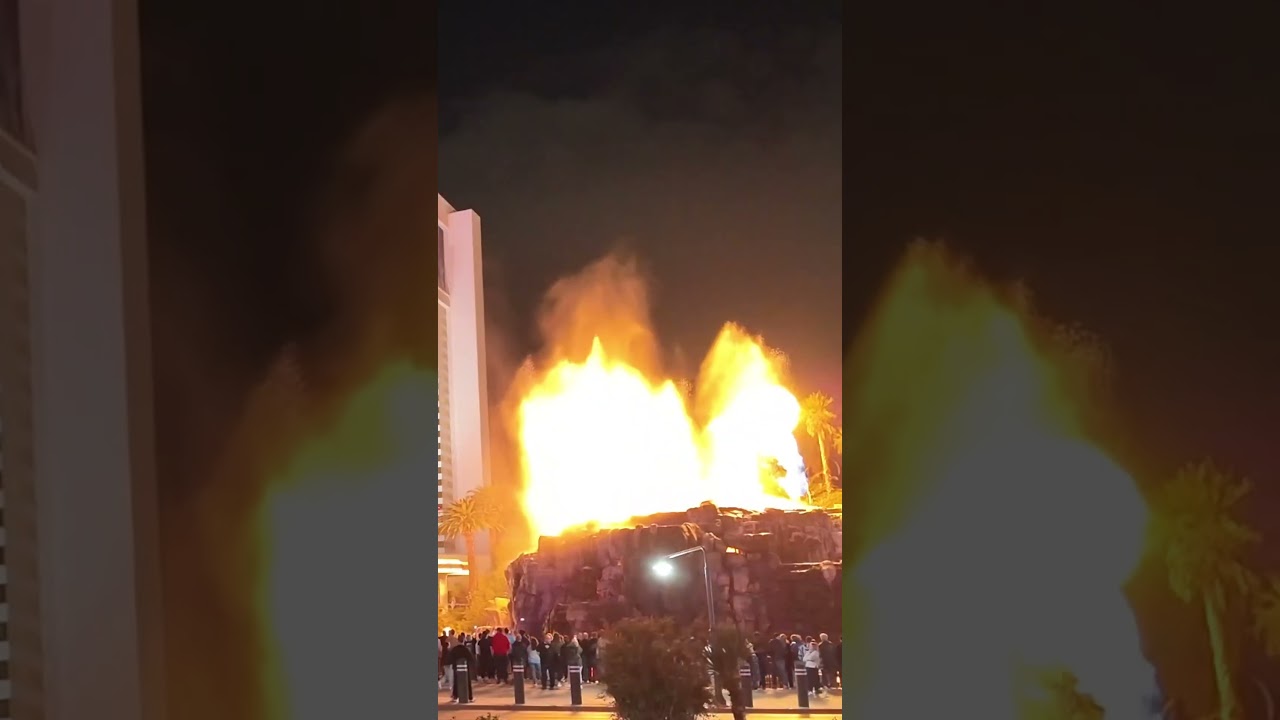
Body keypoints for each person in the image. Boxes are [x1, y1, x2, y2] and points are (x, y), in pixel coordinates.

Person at [448, 633, 475, 703]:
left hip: (456, 668)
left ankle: (455, 696)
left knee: (456, 682)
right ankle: (470, 697)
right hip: (465, 668)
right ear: (463, 641)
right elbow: (471, 659)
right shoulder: (465, 649)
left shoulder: (454, 649)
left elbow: (450, 659)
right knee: (467, 682)